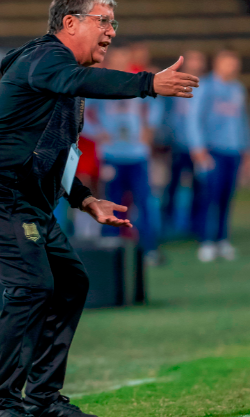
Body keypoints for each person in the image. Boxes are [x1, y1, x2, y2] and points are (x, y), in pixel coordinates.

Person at [0, 0, 198, 417]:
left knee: (71, 282)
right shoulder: (46, 57)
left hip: (24, 197)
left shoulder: (62, 78)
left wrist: (85, 200)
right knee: (31, 286)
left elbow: (56, 154)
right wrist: (147, 83)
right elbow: (77, 79)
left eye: (113, 23)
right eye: (103, 21)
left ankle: (44, 398)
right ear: (70, 23)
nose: (111, 31)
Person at [86, 46, 165, 265]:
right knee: (111, 202)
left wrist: (150, 129)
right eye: (116, 60)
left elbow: (156, 106)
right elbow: (81, 112)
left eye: (124, 60)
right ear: (109, 62)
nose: (120, 64)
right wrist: (97, 133)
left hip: (137, 155)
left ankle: (149, 249)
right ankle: (110, 250)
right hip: (111, 155)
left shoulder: (139, 83)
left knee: (144, 202)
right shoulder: (98, 85)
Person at [187, 49, 250, 262]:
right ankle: (206, 241)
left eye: (235, 62)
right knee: (210, 196)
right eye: (227, 62)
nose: (232, 67)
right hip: (212, 150)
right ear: (217, 63)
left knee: (227, 197)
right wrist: (198, 147)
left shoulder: (238, 89)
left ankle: (222, 239)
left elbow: (242, 121)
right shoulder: (205, 87)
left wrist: (248, 149)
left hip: (232, 151)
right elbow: (194, 118)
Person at [160, 49, 208, 238]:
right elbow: (166, 114)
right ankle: (167, 225)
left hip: (201, 148)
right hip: (178, 145)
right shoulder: (174, 82)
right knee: (172, 184)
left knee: (199, 187)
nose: (196, 64)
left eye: (199, 59)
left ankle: (196, 226)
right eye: (193, 60)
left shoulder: (207, 87)